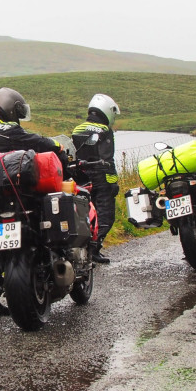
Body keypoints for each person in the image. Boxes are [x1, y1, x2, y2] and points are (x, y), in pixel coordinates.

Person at [0, 87, 62, 315]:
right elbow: (39, 143)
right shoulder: (9, 130)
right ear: (10, 108)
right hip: (8, 190)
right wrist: (57, 146)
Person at [71, 94, 120, 264]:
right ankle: (94, 249)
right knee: (105, 215)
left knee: (84, 213)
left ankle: (83, 249)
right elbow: (108, 159)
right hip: (101, 177)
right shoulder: (105, 131)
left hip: (80, 176)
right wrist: (113, 183)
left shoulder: (77, 129)